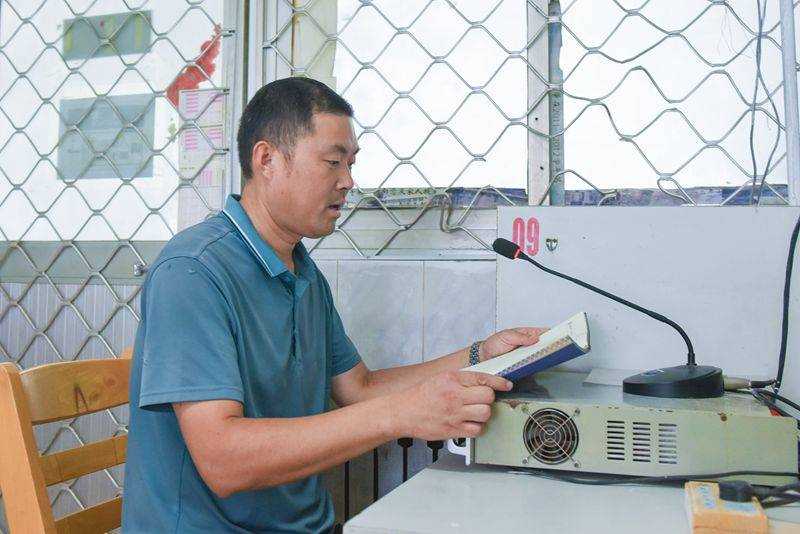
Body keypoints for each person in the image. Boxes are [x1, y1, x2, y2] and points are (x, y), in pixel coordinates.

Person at [122, 77, 545, 533]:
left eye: (350, 163)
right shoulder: (192, 272)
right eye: (332, 162)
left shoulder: (303, 272)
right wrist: (401, 413)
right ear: (267, 160)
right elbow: (224, 461)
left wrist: (481, 355)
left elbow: (359, 388)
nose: (347, 182)